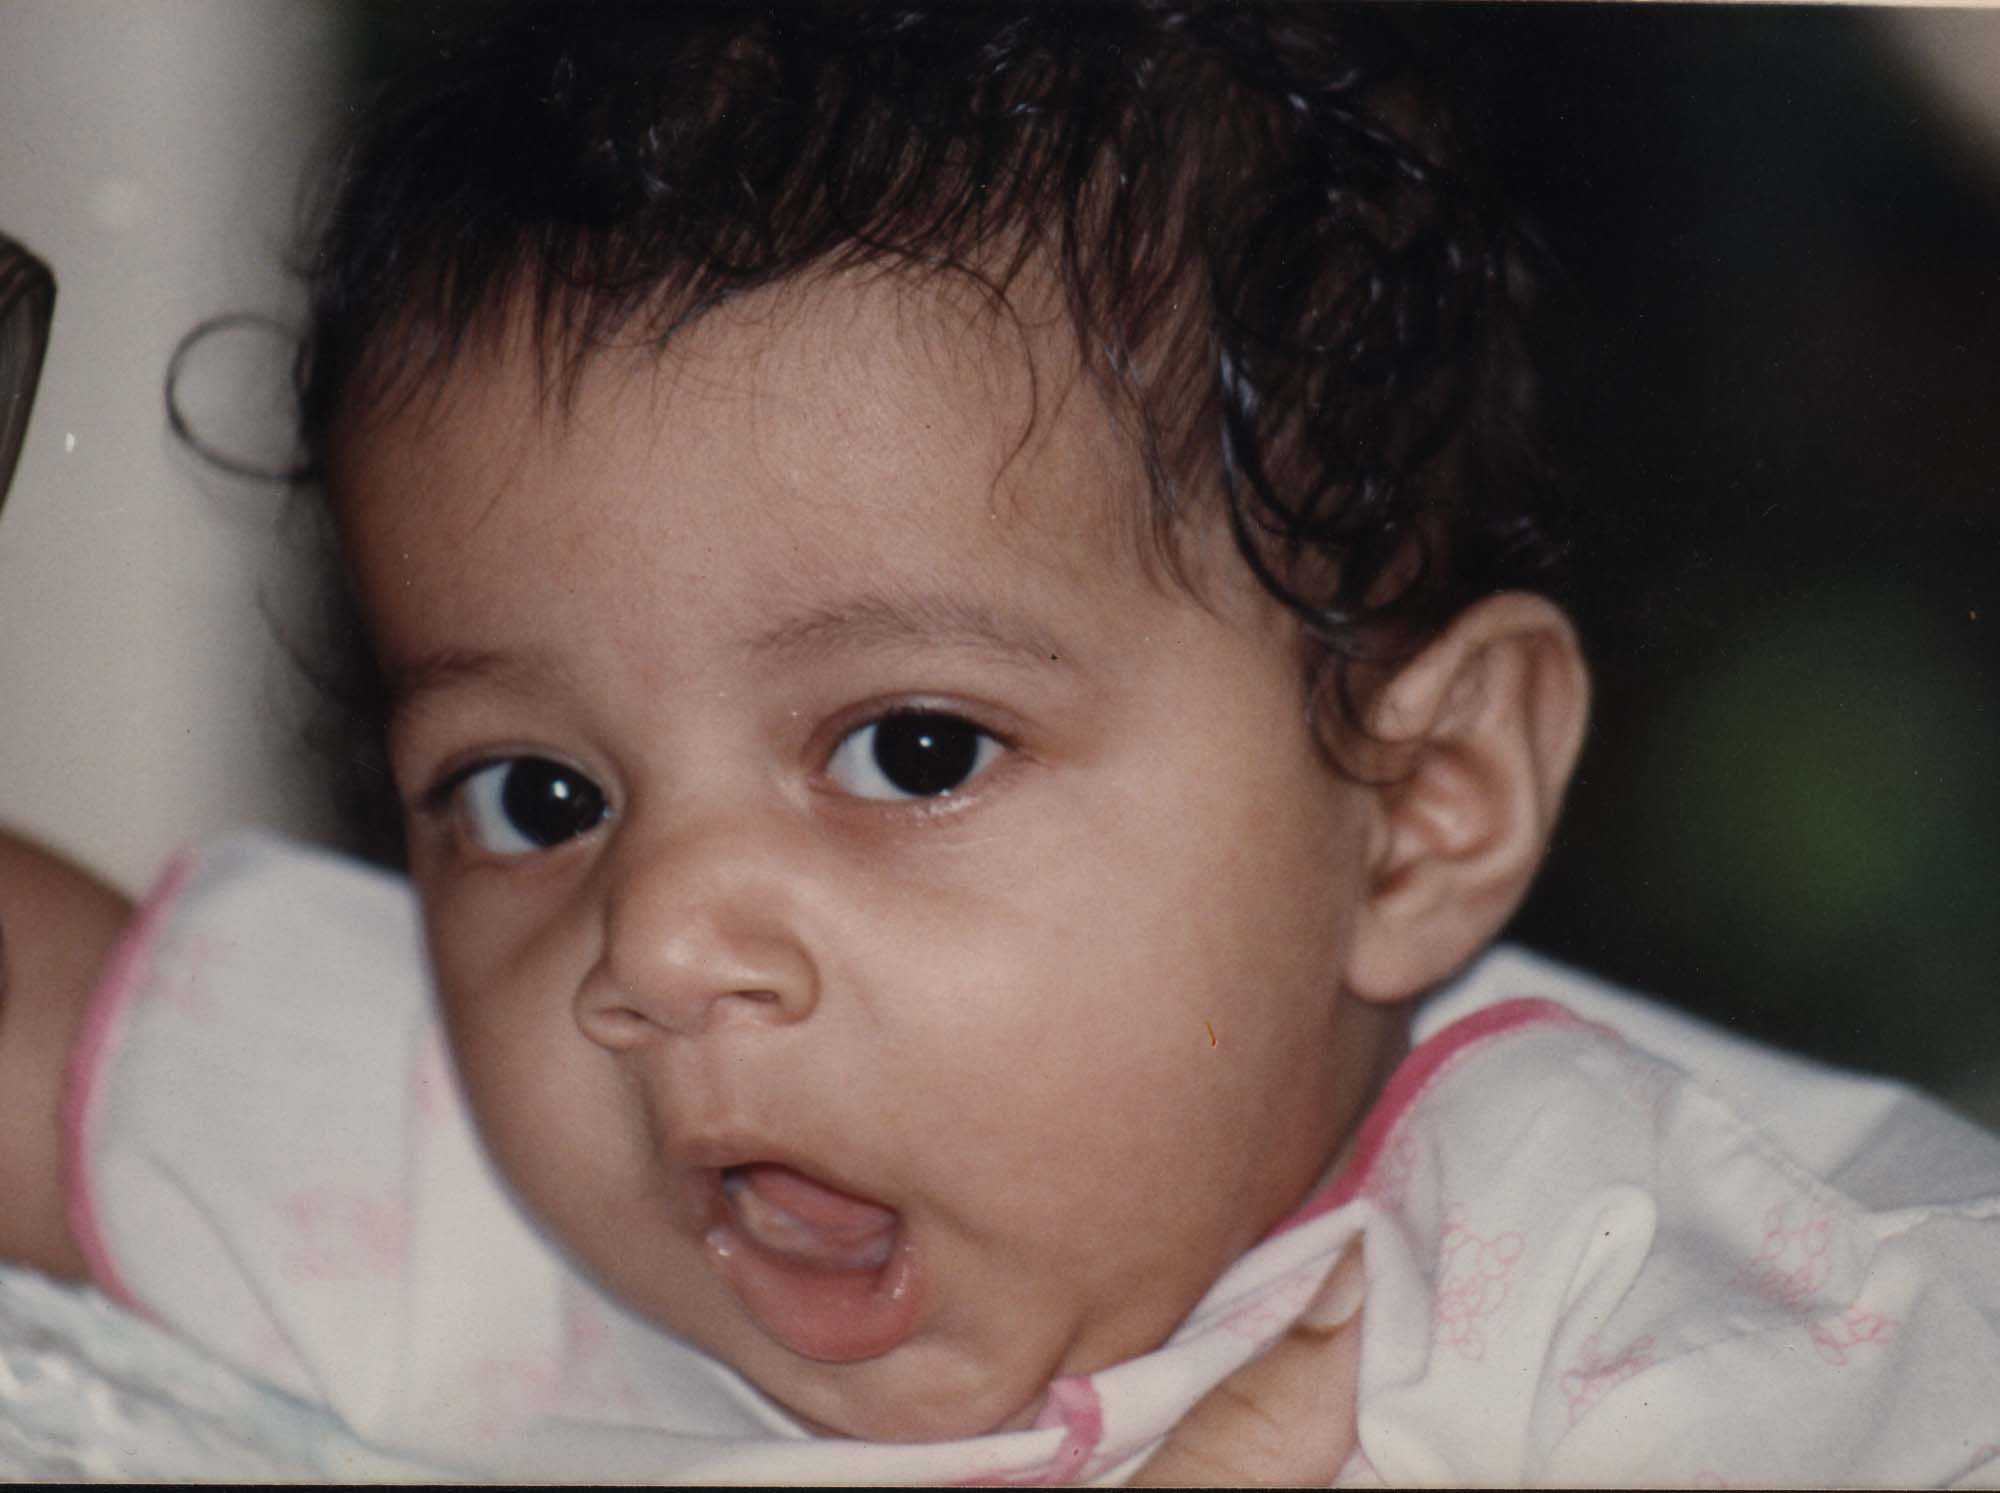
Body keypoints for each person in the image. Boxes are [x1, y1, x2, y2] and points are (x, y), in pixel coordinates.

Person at [1, 4, 1997, 1483]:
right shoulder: (506, 1214)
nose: (658, 940)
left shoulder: (1660, 1308)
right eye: (539, 797)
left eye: (914, 753)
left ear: (1417, 809)